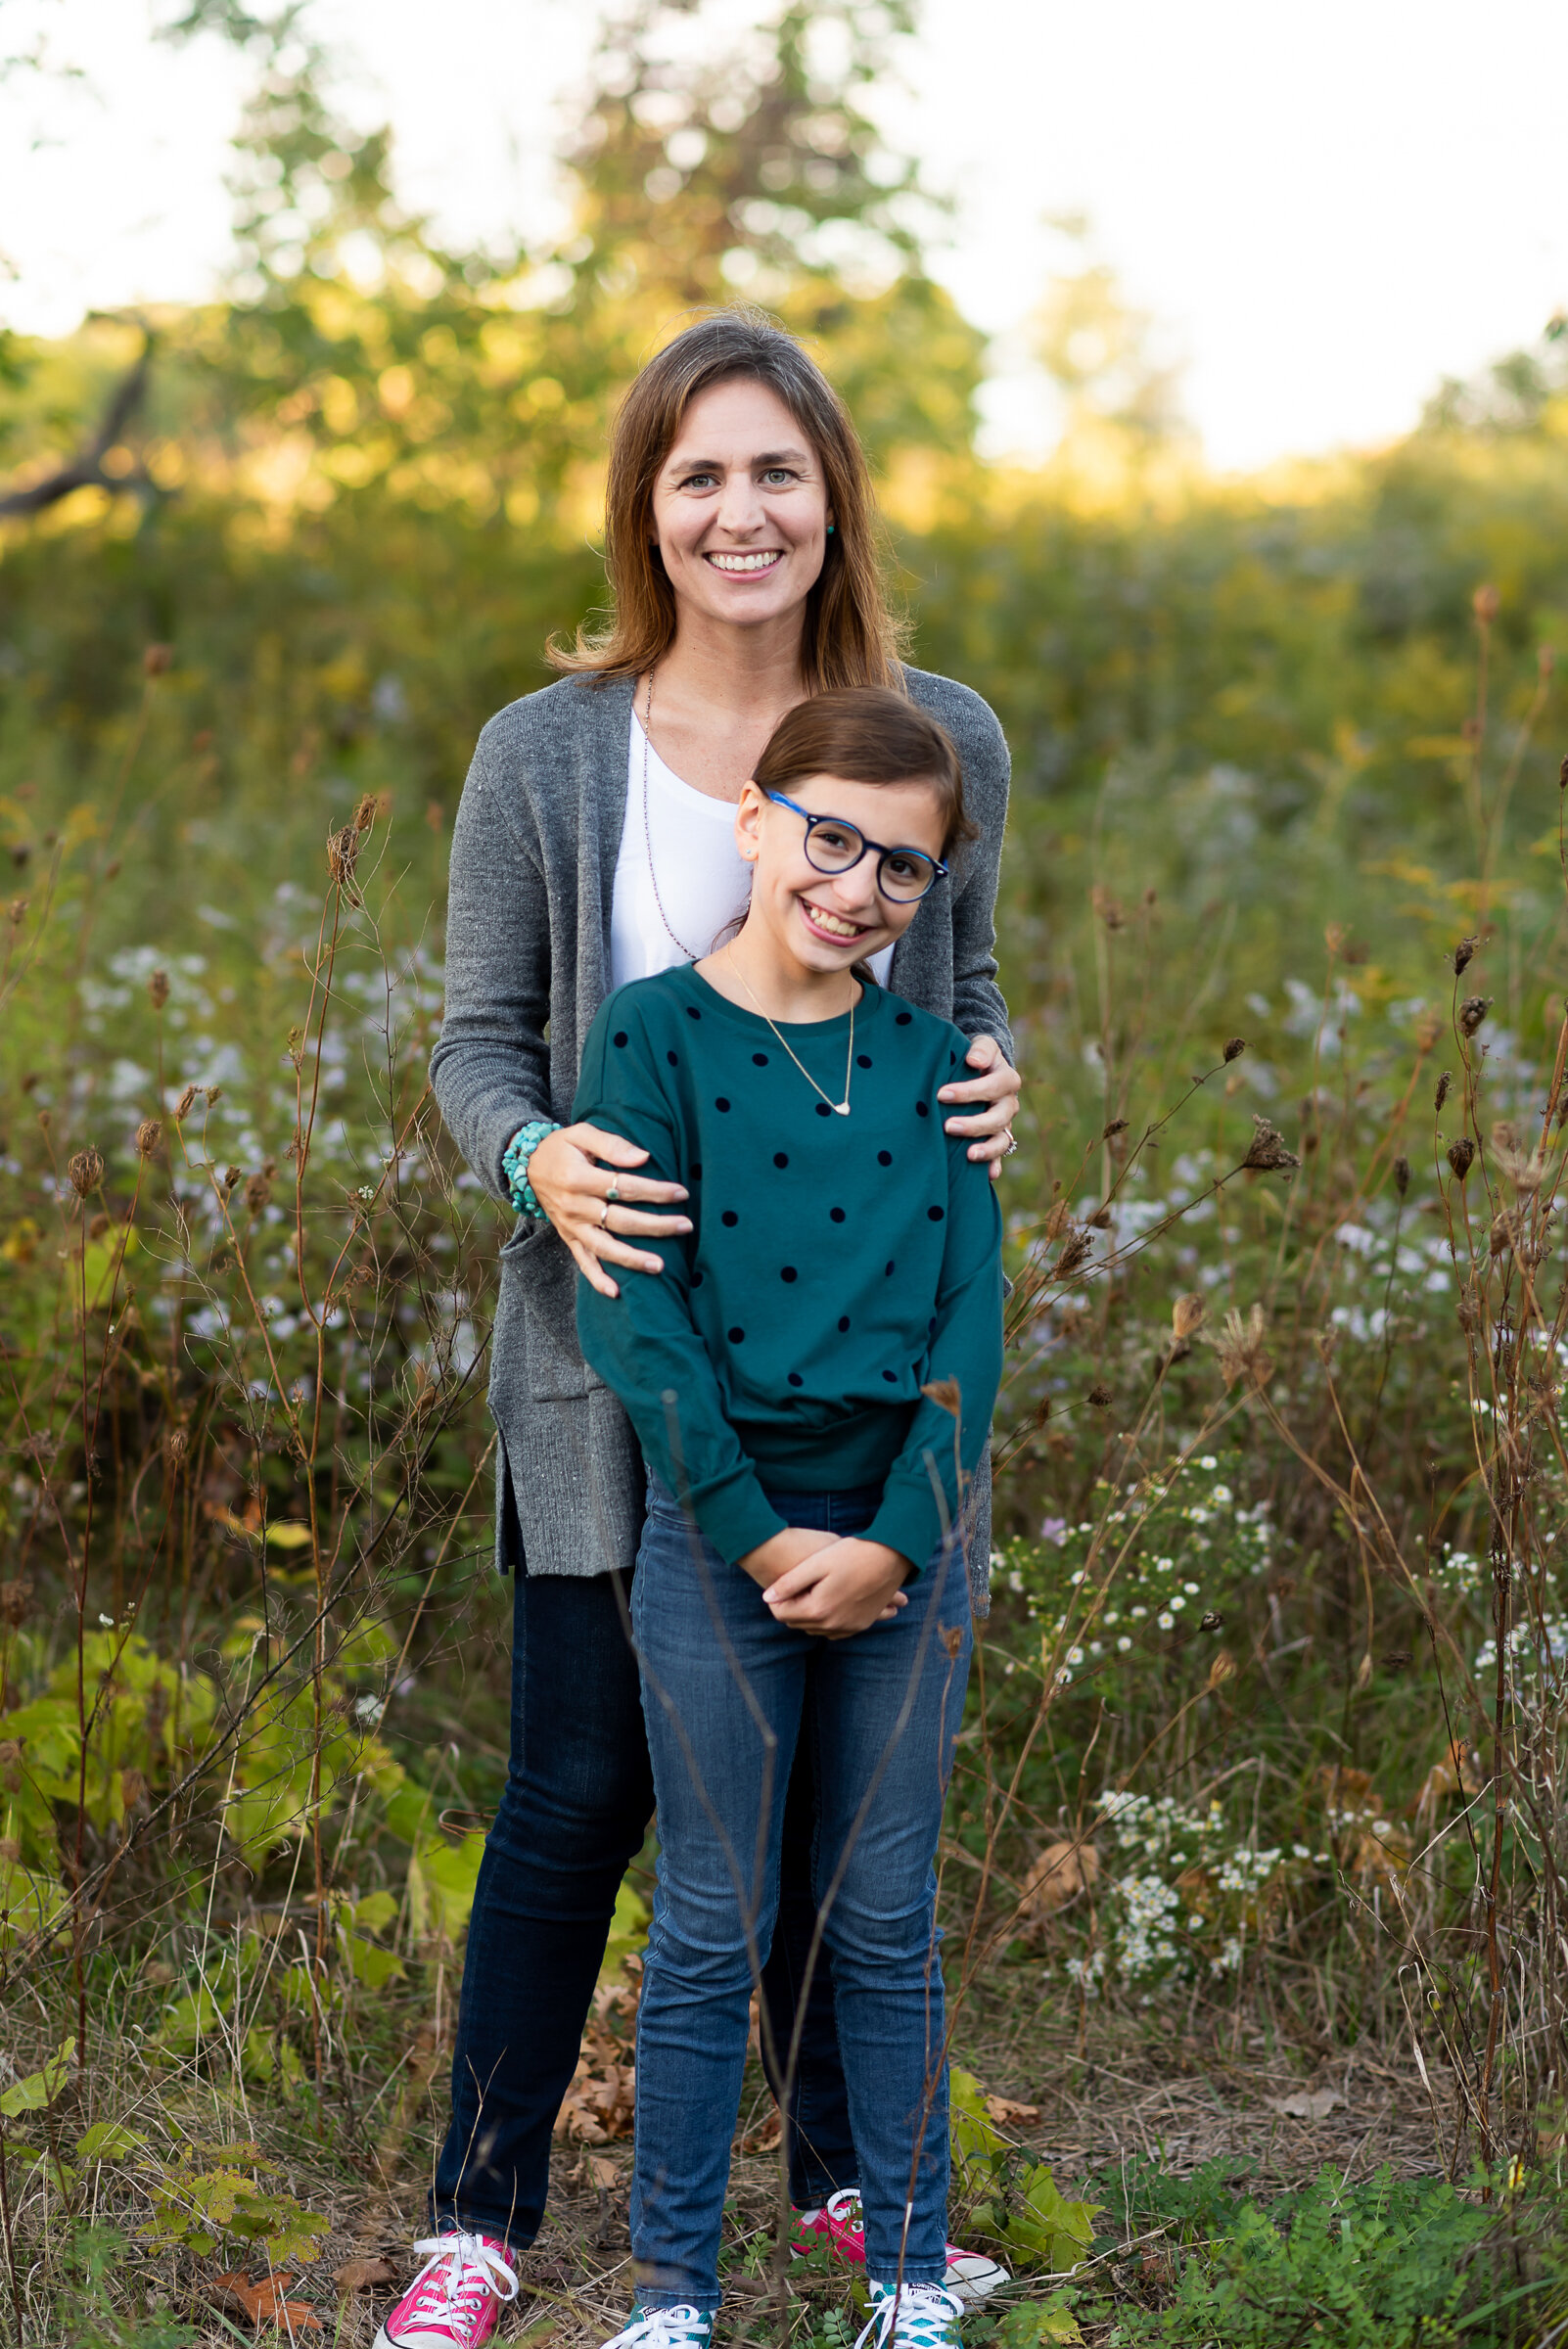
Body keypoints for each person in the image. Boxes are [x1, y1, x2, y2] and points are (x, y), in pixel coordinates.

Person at [381, 308, 1020, 2349]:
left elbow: (960, 992)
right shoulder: (544, 756)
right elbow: (479, 1044)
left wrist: (1000, 1077)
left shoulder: (946, 732)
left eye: (776, 471)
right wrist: (531, 1160)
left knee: (843, 1815)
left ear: (834, 498)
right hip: (611, 1371)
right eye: (696, 475)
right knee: (582, 1789)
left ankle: (846, 2191)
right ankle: (481, 2221)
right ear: (643, 511)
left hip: (853, 1370)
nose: (739, 511)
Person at [576, 686, 1003, 2349]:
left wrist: (900, 1536)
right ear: (753, 822)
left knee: (884, 1913)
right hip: (720, 1528)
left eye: (902, 870)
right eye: (829, 839)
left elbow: (970, 1316)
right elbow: (639, 1317)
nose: (856, 889)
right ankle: (673, 2292)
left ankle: (908, 2271)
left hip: (906, 1530)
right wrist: (756, 1537)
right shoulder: (653, 1039)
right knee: (709, 1919)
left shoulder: (942, 1067)